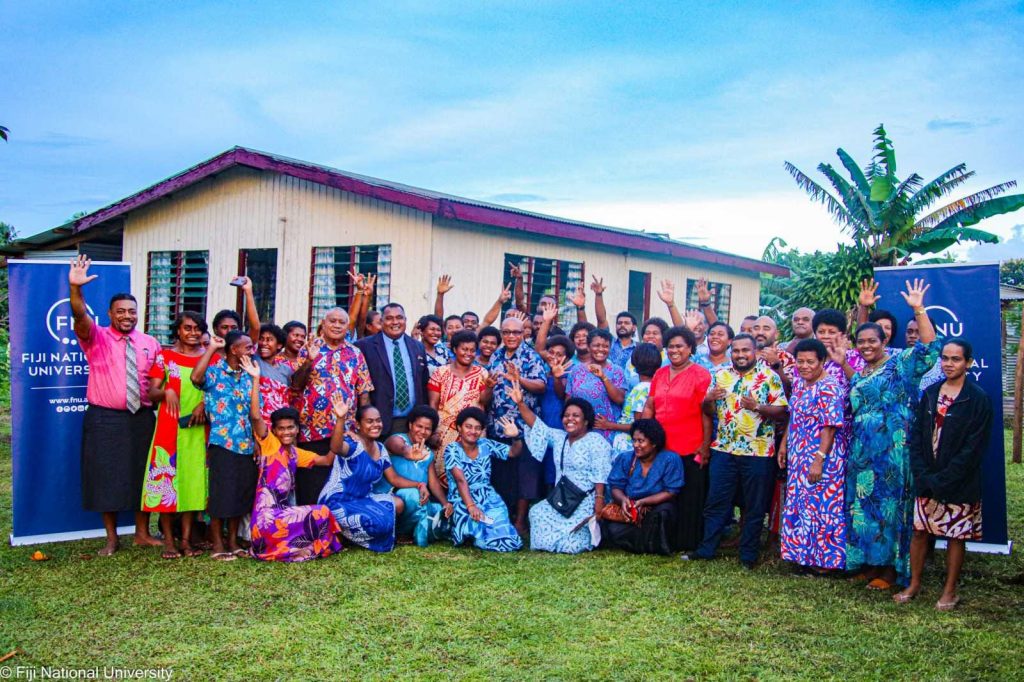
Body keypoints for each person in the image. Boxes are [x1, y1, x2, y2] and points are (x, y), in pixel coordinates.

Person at [846, 279, 940, 590]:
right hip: (863, 454)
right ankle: (869, 563)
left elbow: (929, 349)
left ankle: (889, 571)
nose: (867, 346)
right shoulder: (860, 373)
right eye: (862, 342)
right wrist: (864, 308)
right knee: (864, 507)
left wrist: (919, 309)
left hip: (893, 454)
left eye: (872, 341)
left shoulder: (901, 364)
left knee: (891, 510)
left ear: (884, 341)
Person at [69, 255, 162, 556]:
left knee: (144, 473)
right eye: (120, 311)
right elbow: (81, 318)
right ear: (109, 313)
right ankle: (111, 538)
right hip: (105, 419)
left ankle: (142, 533)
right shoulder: (95, 337)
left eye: (131, 312)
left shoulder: (150, 342)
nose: (126, 316)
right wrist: (75, 289)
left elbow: (159, 381)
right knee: (105, 475)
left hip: (143, 417)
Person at [896, 339, 993, 610]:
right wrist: (923, 473)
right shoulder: (930, 393)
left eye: (956, 359)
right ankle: (914, 583)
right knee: (919, 532)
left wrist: (946, 477)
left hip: (959, 481)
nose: (949, 364)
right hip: (927, 477)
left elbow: (974, 447)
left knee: (955, 536)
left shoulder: (977, 399)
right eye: (945, 358)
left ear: (968, 363)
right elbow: (916, 436)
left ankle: (949, 591)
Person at [692, 333, 788, 568]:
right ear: (730, 352)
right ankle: (706, 549)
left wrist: (758, 406)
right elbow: (707, 409)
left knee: (754, 507)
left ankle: (748, 556)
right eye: (736, 351)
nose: (741, 355)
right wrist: (708, 399)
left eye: (746, 350)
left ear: (754, 352)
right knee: (716, 502)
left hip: (758, 453)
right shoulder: (720, 375)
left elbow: (783, 412)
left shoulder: (769, 377)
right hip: (724, 450)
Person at [244, 384, 344, 562]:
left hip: (282, 517)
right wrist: (256, 378)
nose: (286, 432)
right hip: (265, 523)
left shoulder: (297, 454)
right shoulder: (271, 446)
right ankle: (308, 548)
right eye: (281, 429)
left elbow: (328, 459)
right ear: (274, 431)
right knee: (321, 511)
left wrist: (340, 420)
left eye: (290, 427)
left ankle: (301, 548)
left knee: (322, 512)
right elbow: (255, 416)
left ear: (297, 429)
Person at [513, 381, 612, 554]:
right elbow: (537, 426)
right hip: (561, 499)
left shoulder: (596, 442)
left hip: (584, 502)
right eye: (567, 415)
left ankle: (571, 540)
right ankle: (554, 541)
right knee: (536, 512)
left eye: (576, 416)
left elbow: (600, 474)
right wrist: (520, 403)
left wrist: (599, 503)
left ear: (586, 420)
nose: (570, 419)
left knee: (572, 547)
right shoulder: (560, 438)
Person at [142, 311, 210, 559]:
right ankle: (169, 541)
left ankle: (186, 540)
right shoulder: (165, 357)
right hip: (169, 428)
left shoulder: (208, 358)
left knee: (193, 484)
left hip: (198, 429)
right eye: (187, 328)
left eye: (197, 329)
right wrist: (165, 392)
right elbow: (151, 392)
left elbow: (215, 389)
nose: (192, 333)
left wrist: (205, 404)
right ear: (178, 331)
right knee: (167, 483)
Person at [320, 403, 430, 552]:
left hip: (362, 499)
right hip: (338, 501)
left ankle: (347, 535)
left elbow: (394, 479)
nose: (376, 425)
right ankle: (339, 533)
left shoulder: (380, 448)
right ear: (358, 424)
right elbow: (336, 447)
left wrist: (419, 484)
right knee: (378, 523)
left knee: (397, 504)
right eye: (370, 421)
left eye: (378, 420)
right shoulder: (352, 444)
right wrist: (340, 419)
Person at [291, 308, 373, 505]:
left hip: (345, 431)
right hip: (312, 430)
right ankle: (310, 531)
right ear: (324, 323)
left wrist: (362, 429)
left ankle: (336, 531)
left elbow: (363, 392)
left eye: (341, 322)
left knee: (340, 486)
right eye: (332, 321)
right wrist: (309, 360)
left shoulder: (355, 353)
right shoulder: (309, 348)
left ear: (347, 327)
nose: (337, 325)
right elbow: (296, 384)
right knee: (312, 485)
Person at [641, 325, 713, 552]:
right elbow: (650, 405)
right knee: (665, 496)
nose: (674, 350)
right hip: (663, 448)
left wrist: (705, 446)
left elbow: (707, 413)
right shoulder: (660, 373)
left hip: (691, 446)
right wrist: (643, 433)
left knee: (690, 498)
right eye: (670, 346)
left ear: (690, 348)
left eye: (679, 346)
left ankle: (688, 543)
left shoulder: (701, 374)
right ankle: (664, 539)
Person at [779, 339, 848, 573]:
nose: (804, 366)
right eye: (800, 361)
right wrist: (784, 446)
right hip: (798, 454)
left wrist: (819, 459)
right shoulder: (799, 383)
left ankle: (826, 563)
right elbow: (793, 417)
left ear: (823, 361)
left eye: (810, 362)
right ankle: (802, 556)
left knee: (823, 508)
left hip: (822, 456)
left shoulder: (830, 386)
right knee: (802, 504)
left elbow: (830, 426)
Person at [191, 332, 260, 561]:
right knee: (221, 495)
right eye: (247, 347)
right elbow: (195, 378)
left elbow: (253, 413)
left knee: (240, 494)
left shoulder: (249, 375)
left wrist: (257, 442)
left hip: (246, 444)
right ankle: (218, 545)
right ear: (233, 350)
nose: (251, 351)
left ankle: (232, 541)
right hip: (222, 443)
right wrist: (211, 348)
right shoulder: (215, 372)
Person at [486, 316, 548, 534]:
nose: (511, 336)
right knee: (503, 474)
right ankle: (504, 517)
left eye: (516, 332)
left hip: (524, 426)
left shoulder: (531, 356)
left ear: (523, 334)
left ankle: (520, 521)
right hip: (498, 426)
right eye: (507, 332)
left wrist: (519, 379)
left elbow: (541, 386)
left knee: (526, 475)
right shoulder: (495, 356)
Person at [444, 407, 524, 552]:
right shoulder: (452, 449)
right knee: (477, 530)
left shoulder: (485, 444)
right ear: (459, 428)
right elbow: (460, 480)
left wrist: (516, 437)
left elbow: (513, 452)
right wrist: (471, 506)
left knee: (503, 535)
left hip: (488, 497)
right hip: (462, 499)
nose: (473, 431)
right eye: (468, 427)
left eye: (477, 428)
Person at [601, 419, 684, 556]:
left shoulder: (670, 459)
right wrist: (623, 500)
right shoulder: (625, 458)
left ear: (654, 443)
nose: (636, 445)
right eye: (634, 440)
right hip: (630, 511)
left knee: (663, 513)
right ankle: (649, 545)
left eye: (641, 441)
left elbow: (671, 491)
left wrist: (644, 502)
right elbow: (616, 486)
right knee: (613, 529)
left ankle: (649, 544)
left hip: (655, 508)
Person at [356, 302, 429, 437]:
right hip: (378, 422)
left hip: (412, 423)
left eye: (399, 317)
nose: (395, 322)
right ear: (382, 321)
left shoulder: (418, 347)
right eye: (389, 318)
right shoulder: (364, 346)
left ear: (405, 320)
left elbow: (423, 385)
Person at [383, 406, 453, 546]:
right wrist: (408, 452)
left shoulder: (428, 453)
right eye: (419, 426)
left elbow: (433, 484)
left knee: (441, 511)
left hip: (419, 498)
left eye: (427, 429)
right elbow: (400, 447)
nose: (422, 431)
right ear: (410, 425)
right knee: (413, 495)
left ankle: (415, 529)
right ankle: (400, 532)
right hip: (394, 497)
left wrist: (445, 503)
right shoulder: (397, 439)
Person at [427, 329, 495, 472]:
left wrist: (489, 388)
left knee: (473, 471)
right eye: (464, 349)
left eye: (472, 350)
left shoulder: (482, 373)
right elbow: (433, 404)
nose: (468, 354)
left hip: (474, 431)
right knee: (443, 470)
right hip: (444, 432)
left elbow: (484, 401)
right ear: (454, 349)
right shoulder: (440, 372)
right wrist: (433, 431)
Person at [557, 328, 627, 442]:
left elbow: (619, 399)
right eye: (596, 345)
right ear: (589, 347)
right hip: (578, 430)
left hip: (604, 430)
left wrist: (603, 377)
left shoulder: (616, 371)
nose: (601, 349)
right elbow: (568, 400)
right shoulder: (576, 370)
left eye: (605, 346)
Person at [596, 342, 660, 452]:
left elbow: (640, 426)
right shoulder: (651, 387)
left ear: (634, 363)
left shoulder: (641, 389)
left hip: (629, 444)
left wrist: (609, 425)